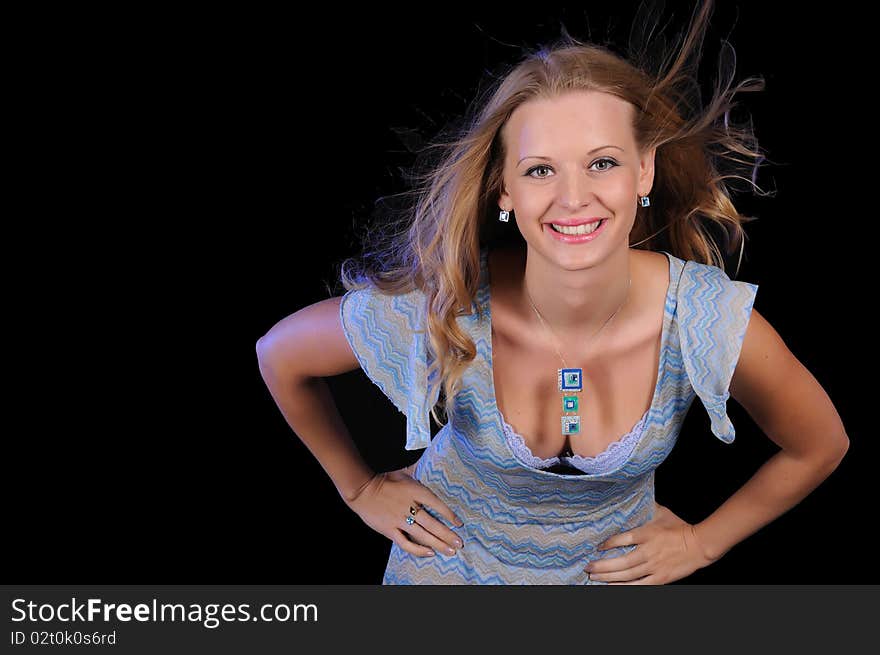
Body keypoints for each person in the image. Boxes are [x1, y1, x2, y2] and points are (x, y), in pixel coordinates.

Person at [256, 0, 849, 584]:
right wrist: (359, 488)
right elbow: (279, 354)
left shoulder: (703, 320)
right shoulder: (448, 303)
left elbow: (819, 443)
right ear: (504, 190)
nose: (573, 198)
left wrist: (702, 543)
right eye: (541, 169)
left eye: (602, 163)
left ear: (644, 171)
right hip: (443, 571)